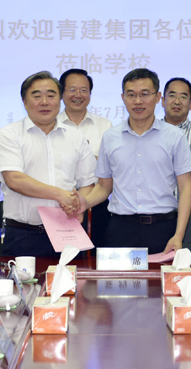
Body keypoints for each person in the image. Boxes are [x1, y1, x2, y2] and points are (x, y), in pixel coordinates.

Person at [81, 68, 191, 255]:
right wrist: (83, 203)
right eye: (131, 95)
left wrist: (178, 235)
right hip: (120, 229)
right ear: (123, 98)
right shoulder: (110, 137)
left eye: (144, 94)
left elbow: (185, 188)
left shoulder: (175, 136)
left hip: (163, 229)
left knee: (162, 276)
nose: (138, 101)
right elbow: (104, 186)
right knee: (115, 276)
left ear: (157, 97)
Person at [0, 71, 96, 257]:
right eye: (37, 96)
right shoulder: (9, 135)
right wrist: (61, 195)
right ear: (24, 102)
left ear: (60, 101)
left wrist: (79, 205)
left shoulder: (76, 137)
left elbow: (87, 182)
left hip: (67, 232)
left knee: (70, 277)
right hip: (23, 234)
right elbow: (14, 180)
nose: (44, 102)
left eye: (51, 95)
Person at [57, 68, 113, 247]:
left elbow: (111, 165)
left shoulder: (105, 125)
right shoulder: (51, 124)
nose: (78, 95)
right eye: (72, 89)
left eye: (84, 90)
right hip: (59, 204)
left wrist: (84, 156)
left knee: (95, 257)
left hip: (96, 203)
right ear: (62, 92)